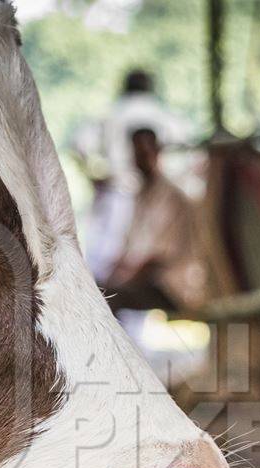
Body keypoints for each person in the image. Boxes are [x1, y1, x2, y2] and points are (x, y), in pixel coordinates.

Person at [71, 69, 192, 283]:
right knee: (136, 266)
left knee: (105, 268)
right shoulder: (165, 114)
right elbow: (188, 149)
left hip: (116, 194)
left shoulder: (111, 113)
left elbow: (79, 144)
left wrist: (96, 176)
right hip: (153, 196)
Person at [105, 127, 206, 314]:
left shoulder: (173, 196)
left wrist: (119, 282)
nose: (140, 159)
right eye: (136, 153)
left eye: (144, 152)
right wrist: (106, 278)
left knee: (111, 297)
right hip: (143, 280)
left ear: (157, 152)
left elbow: (157, 260)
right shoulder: (140, 195)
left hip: (173, 287)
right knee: (98, 291)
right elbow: (127, 248)